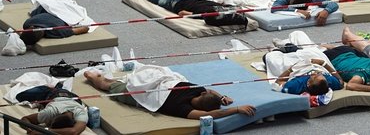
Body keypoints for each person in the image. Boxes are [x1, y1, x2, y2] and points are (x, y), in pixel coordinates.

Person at [84, 69, 256, 119]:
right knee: (110, 85)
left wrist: (226, 100)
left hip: (147, 88)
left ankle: (93, 76)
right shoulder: (186, 106)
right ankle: (95, 77)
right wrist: (231, 104)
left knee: (112, 85)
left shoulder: (191, 94)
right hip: (151, 87)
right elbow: (210, 111)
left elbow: (210, 98)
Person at [131, 0, 248, 28]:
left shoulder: (220, 7)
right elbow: (181, 13)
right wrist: (193, 16)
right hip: (179, 2)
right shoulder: (202, 15)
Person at [265, 31, 344, 95]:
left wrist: (290, 69)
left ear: (309, 84)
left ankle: (278, 49)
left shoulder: (295, 86)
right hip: (313, 61)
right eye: (321, 75)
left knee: (270, 58)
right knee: (298, 34)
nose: (317, 73)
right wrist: (323, 64)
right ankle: (288, 46)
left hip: (295, 66)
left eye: (315, 76)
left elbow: (278, 82)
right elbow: (340, 82)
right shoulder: (328, 82)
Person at [19, 84, 88, 134]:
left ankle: (57, 85)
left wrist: (45, 131)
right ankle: (53, 86)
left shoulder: (80, 112)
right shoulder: (51, 112)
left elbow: (73, 131)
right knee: (20, 96)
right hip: (55, 94)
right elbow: (25, 119)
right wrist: (30, 130)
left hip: (73, 98)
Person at [18, 4, 89, 46]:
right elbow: (85, 28)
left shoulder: (57, 32)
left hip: (52, 9)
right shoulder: (27, 23)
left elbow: (85, 28)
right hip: (59, 11)